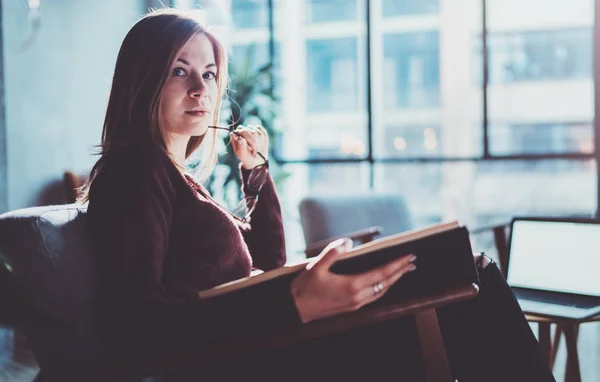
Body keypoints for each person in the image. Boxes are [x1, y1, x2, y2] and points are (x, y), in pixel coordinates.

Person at [83, 8, 556, 382]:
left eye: (208, 74)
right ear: (143, 80)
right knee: (467, 285)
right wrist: (297, 305)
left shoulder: (175, 176)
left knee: (464, 272)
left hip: (262, 344)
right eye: (178, 71)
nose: (199, 89)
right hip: (241, 363)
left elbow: (265, 259)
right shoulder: (136, 171)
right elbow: (135, 332)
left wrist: (256, 174)